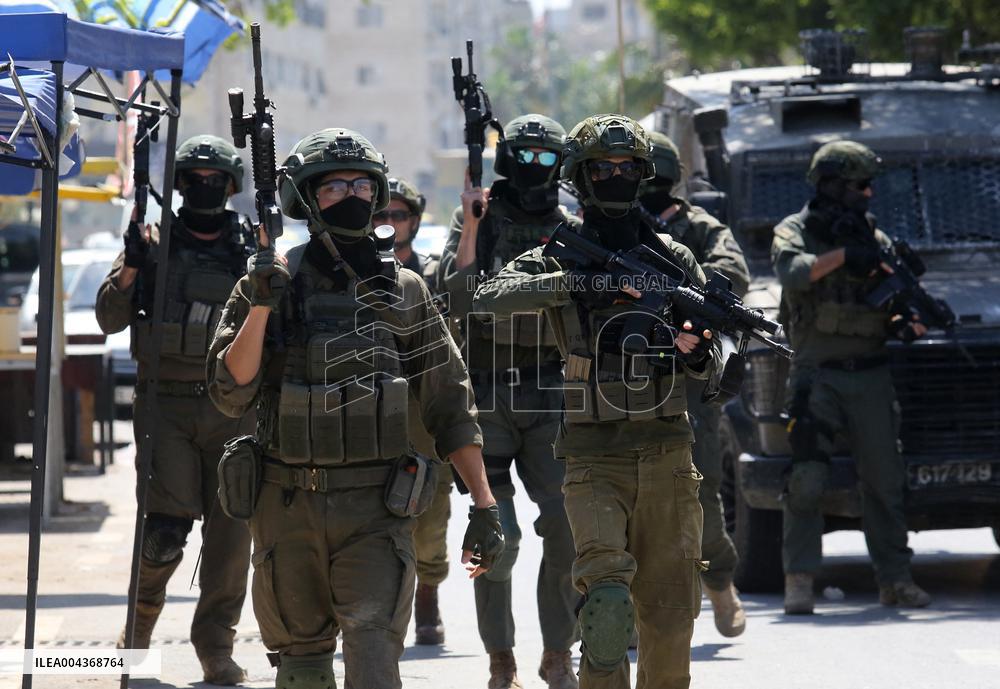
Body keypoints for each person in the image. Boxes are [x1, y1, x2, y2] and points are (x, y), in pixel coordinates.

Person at [206, 128, 503, 689]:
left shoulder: (406, 290)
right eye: (335, 187)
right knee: (302, 671)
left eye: (362, 185)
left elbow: (450, 402)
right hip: (286, 505)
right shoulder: (269, 282)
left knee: (373, 664)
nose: (352, 195)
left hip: (376, 509)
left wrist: (484, 505)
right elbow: (230, 390)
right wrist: (262, 305)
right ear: (308, 199)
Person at [474, 114, 720, 689]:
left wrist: (694, 350)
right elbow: (489, 297)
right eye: (602, 169)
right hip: (591, 458)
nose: (615, 177)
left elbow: (715, 366)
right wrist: (577, 283)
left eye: (627, 167)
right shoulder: (562, 253)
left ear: (643, 174)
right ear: (581, 179)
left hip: (668, 454)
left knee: (670, 624)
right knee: (606, 612)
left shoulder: (673, 259)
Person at [96, 135, 255, 685]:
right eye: (194, 179)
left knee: (231, 541)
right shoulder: (152, 243)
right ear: (180, 185)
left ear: (231, 187)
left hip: (233, 411)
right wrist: (131, 269)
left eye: (216, 180)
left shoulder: (249, 248)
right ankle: (138, 631)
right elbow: (108, 319)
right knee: (164, 532)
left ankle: (216, 648)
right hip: (165, 408)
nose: (205, 187)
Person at [439, 114, 580, 689]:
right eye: (524, 155)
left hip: (550, 394)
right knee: (499, 534)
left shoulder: (570, 228)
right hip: (487, 395)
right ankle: (502, 661)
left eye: (547, 157)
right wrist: (473, 224)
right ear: (504, 158)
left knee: (568, 528)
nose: (534, 167)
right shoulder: (477, 218)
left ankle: (558, 655)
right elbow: (456, 294)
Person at [771, 140, 931, 615]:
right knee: (806, 479)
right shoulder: (795, 231)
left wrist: (904, 322)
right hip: (817, 376)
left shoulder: (875, 239)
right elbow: (793, 273)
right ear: (833, 185)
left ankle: (895, 579)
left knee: (885, 481)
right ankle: (799, 579)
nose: (868, 194)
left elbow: (893, 301)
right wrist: (843, 256)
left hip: (871, 375)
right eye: (860, 185)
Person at [637, 131, 750, 637]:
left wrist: (678, 283)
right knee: (623, 496)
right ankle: (625, 612)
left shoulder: (700, 228)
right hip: (626, 378)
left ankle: (719, 582)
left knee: (698, 494)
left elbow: (732, 275)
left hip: (690, 377)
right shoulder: (615, 228)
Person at [376, 176, 455, 646]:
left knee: (430, 518)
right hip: (370, 409)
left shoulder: (435, 274)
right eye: (380, 214)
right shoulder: (354, 273)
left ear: (414, 221)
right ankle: (377, 611)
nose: (389, 222)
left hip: (423, 413)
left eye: (398, 214)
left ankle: (428, 591)